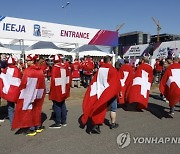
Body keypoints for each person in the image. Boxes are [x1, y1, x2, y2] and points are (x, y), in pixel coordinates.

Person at [80, 56, 120, 134]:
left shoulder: (100, 69)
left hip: (100, 91)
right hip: (109, 92)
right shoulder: (112, 70)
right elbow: (116, 83)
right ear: (109, 61)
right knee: (113, 109)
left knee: (100, 107)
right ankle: (113, 124)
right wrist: (119, 91)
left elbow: (95, 80)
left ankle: (96, 125)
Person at [12, 54, 46, 136]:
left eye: (27, 60)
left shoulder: (28, 71)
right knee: (37, 109)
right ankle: (37, 126)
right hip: (38, 93)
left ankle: (31, 129)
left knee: (29, 110)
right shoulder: (40, 70)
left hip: (29, 93)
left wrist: (20, 92)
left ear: (32, 61)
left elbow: (24, 83)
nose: (26, 62)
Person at [49, 55, 71, 128]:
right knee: (63, 104)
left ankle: (58, 122)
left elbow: (53, 80)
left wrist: (51, 91)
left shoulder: (55, 68)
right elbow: (69, 78)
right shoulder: (65, 66)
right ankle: (64, 121)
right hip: (64, 88)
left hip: (57, 89)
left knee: (57, 105)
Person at [0, 56, 21, 126]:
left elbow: (1, 79)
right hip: (16, 91)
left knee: (10, 107)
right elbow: (20, 80)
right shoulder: (17, 70)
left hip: (9, 91)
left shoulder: (5, 70)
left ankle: (13, 123)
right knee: (19, 106)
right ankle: (20, 120)